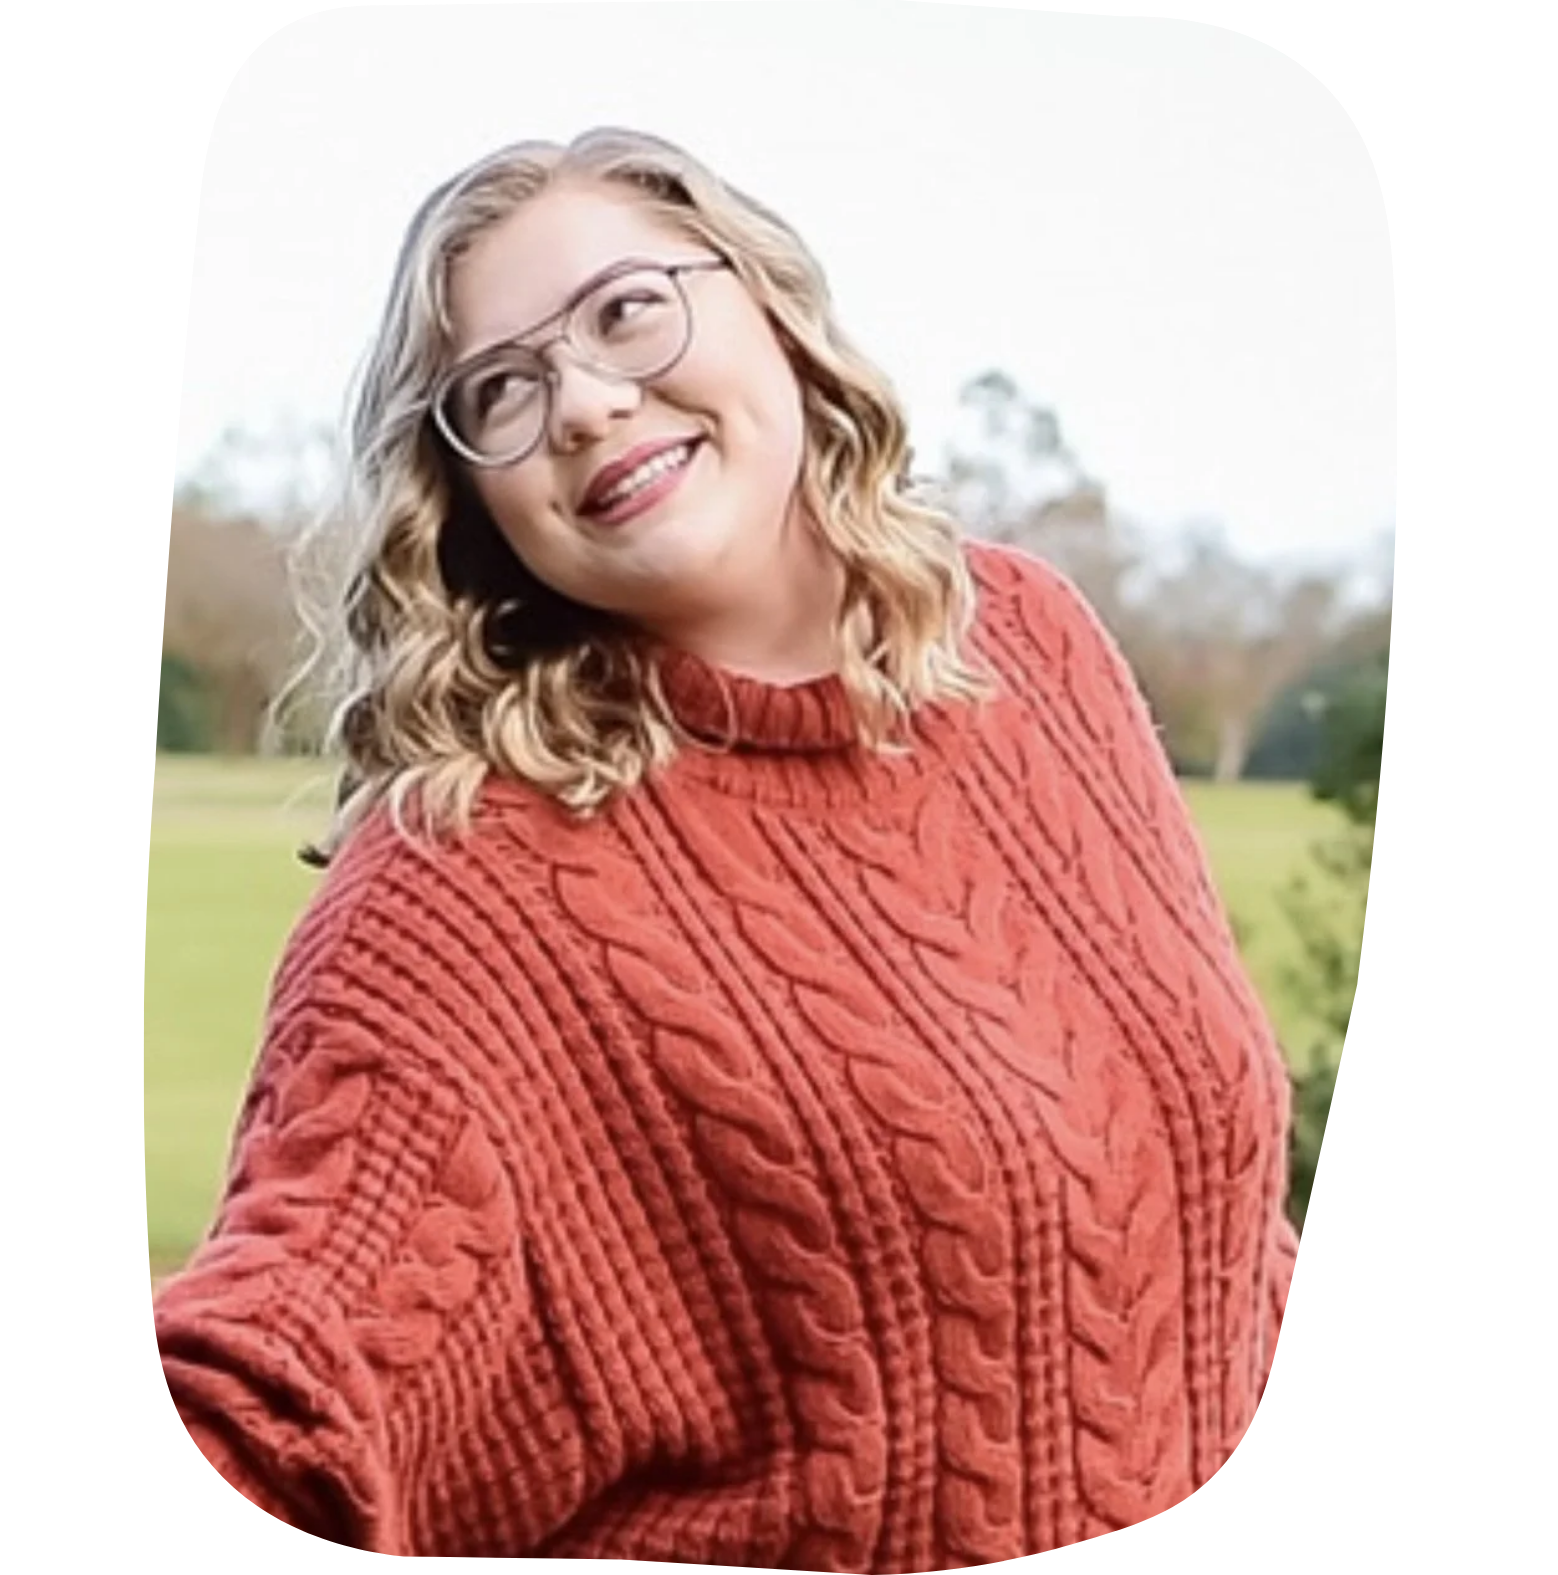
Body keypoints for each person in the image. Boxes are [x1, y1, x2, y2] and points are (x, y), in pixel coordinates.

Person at [152, 127, 1299, 1572]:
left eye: (626, 310)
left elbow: (1209, 1197)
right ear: (470, 500)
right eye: (498, 390)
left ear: (769, 301)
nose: (580, 400)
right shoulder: (462, 885)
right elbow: (285, 1393)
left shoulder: (1028, 643)